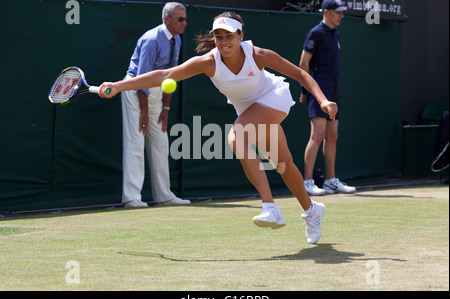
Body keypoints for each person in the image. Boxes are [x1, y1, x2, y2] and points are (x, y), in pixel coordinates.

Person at [99, 12, 338, 244]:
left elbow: (300, 74)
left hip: (273, 97)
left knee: (237, 137)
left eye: (229, 36)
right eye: (219, 36)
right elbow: (165, 74)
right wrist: (119, 86)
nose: (224, 42)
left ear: (240, 35)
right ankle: (312, 210)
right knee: (283, 166)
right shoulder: (208, 62)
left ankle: (270, 206)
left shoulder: (259, 55)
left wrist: (322, 99)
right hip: (249, 110)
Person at [121, 2, 191, 207]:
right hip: (135, 91)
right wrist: (144, 111)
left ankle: (164, 196)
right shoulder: (152, 39)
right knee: (136, 143)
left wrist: (165, 108)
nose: (184, 23)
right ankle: (131, 197)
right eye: (180, 19)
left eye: (186, 19)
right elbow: (141, 79)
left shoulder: (177, 40)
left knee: (160, 142)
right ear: (167, 19)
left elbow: (171, 76)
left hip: (156, 92)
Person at [299, 0, 356, 196]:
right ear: (326, 12)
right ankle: (307, 182)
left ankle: (331, 181)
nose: (341, 15)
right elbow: (303, 63)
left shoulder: (335, 33)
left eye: (342, 12)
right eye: (337, 12)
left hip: (333, 87)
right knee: (317, 135)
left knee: (332, 136)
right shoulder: (316, 33)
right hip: (319, 88)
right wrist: (305, 90)